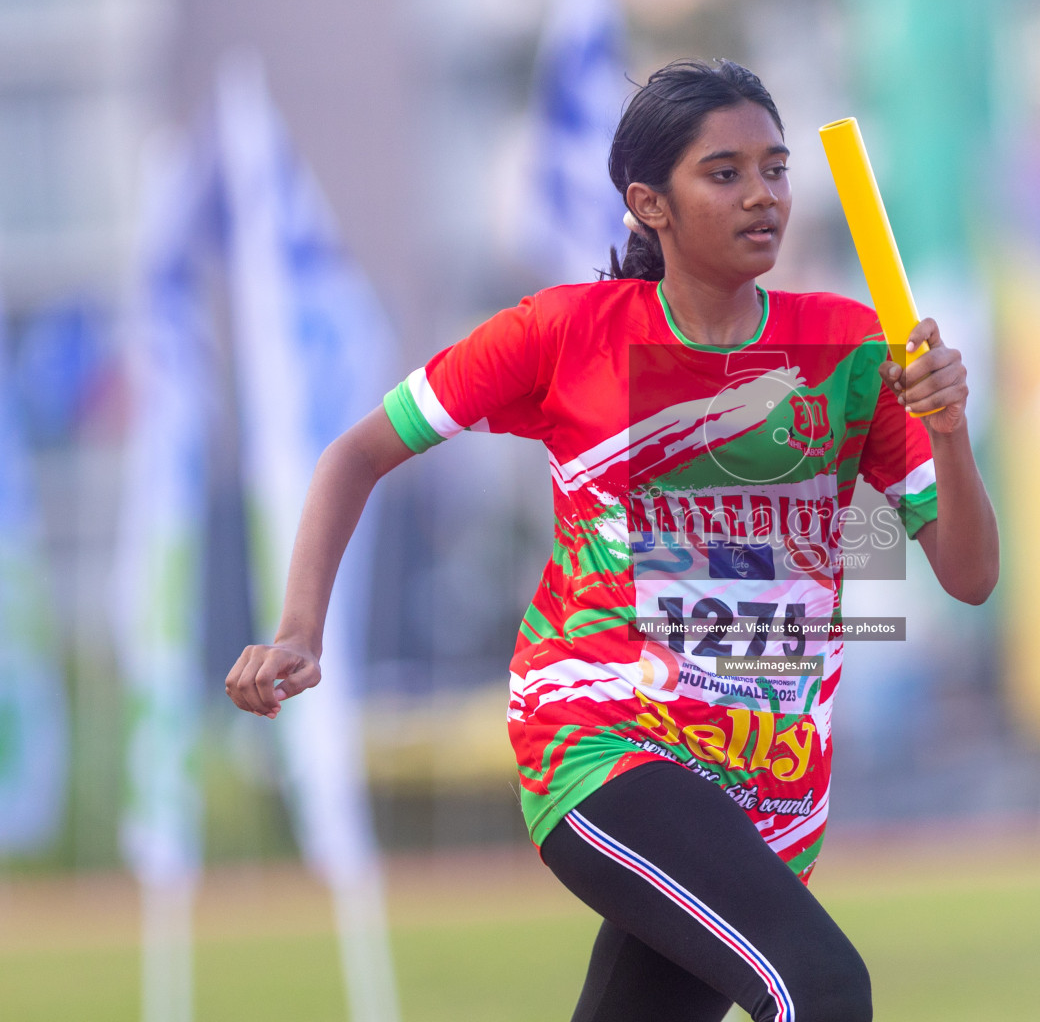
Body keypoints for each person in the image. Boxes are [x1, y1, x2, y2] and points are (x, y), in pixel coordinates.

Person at [225, 58, 999, 1022]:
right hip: (601, 743)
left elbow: (968, 577)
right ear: (650, 204)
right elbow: (353, 455)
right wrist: (300, 629)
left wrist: (949, 428)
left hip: (771, 782)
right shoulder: (563, 332)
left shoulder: (851, 348)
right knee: (822, 988)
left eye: (775, 167)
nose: (762, 195)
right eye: (724, 173)